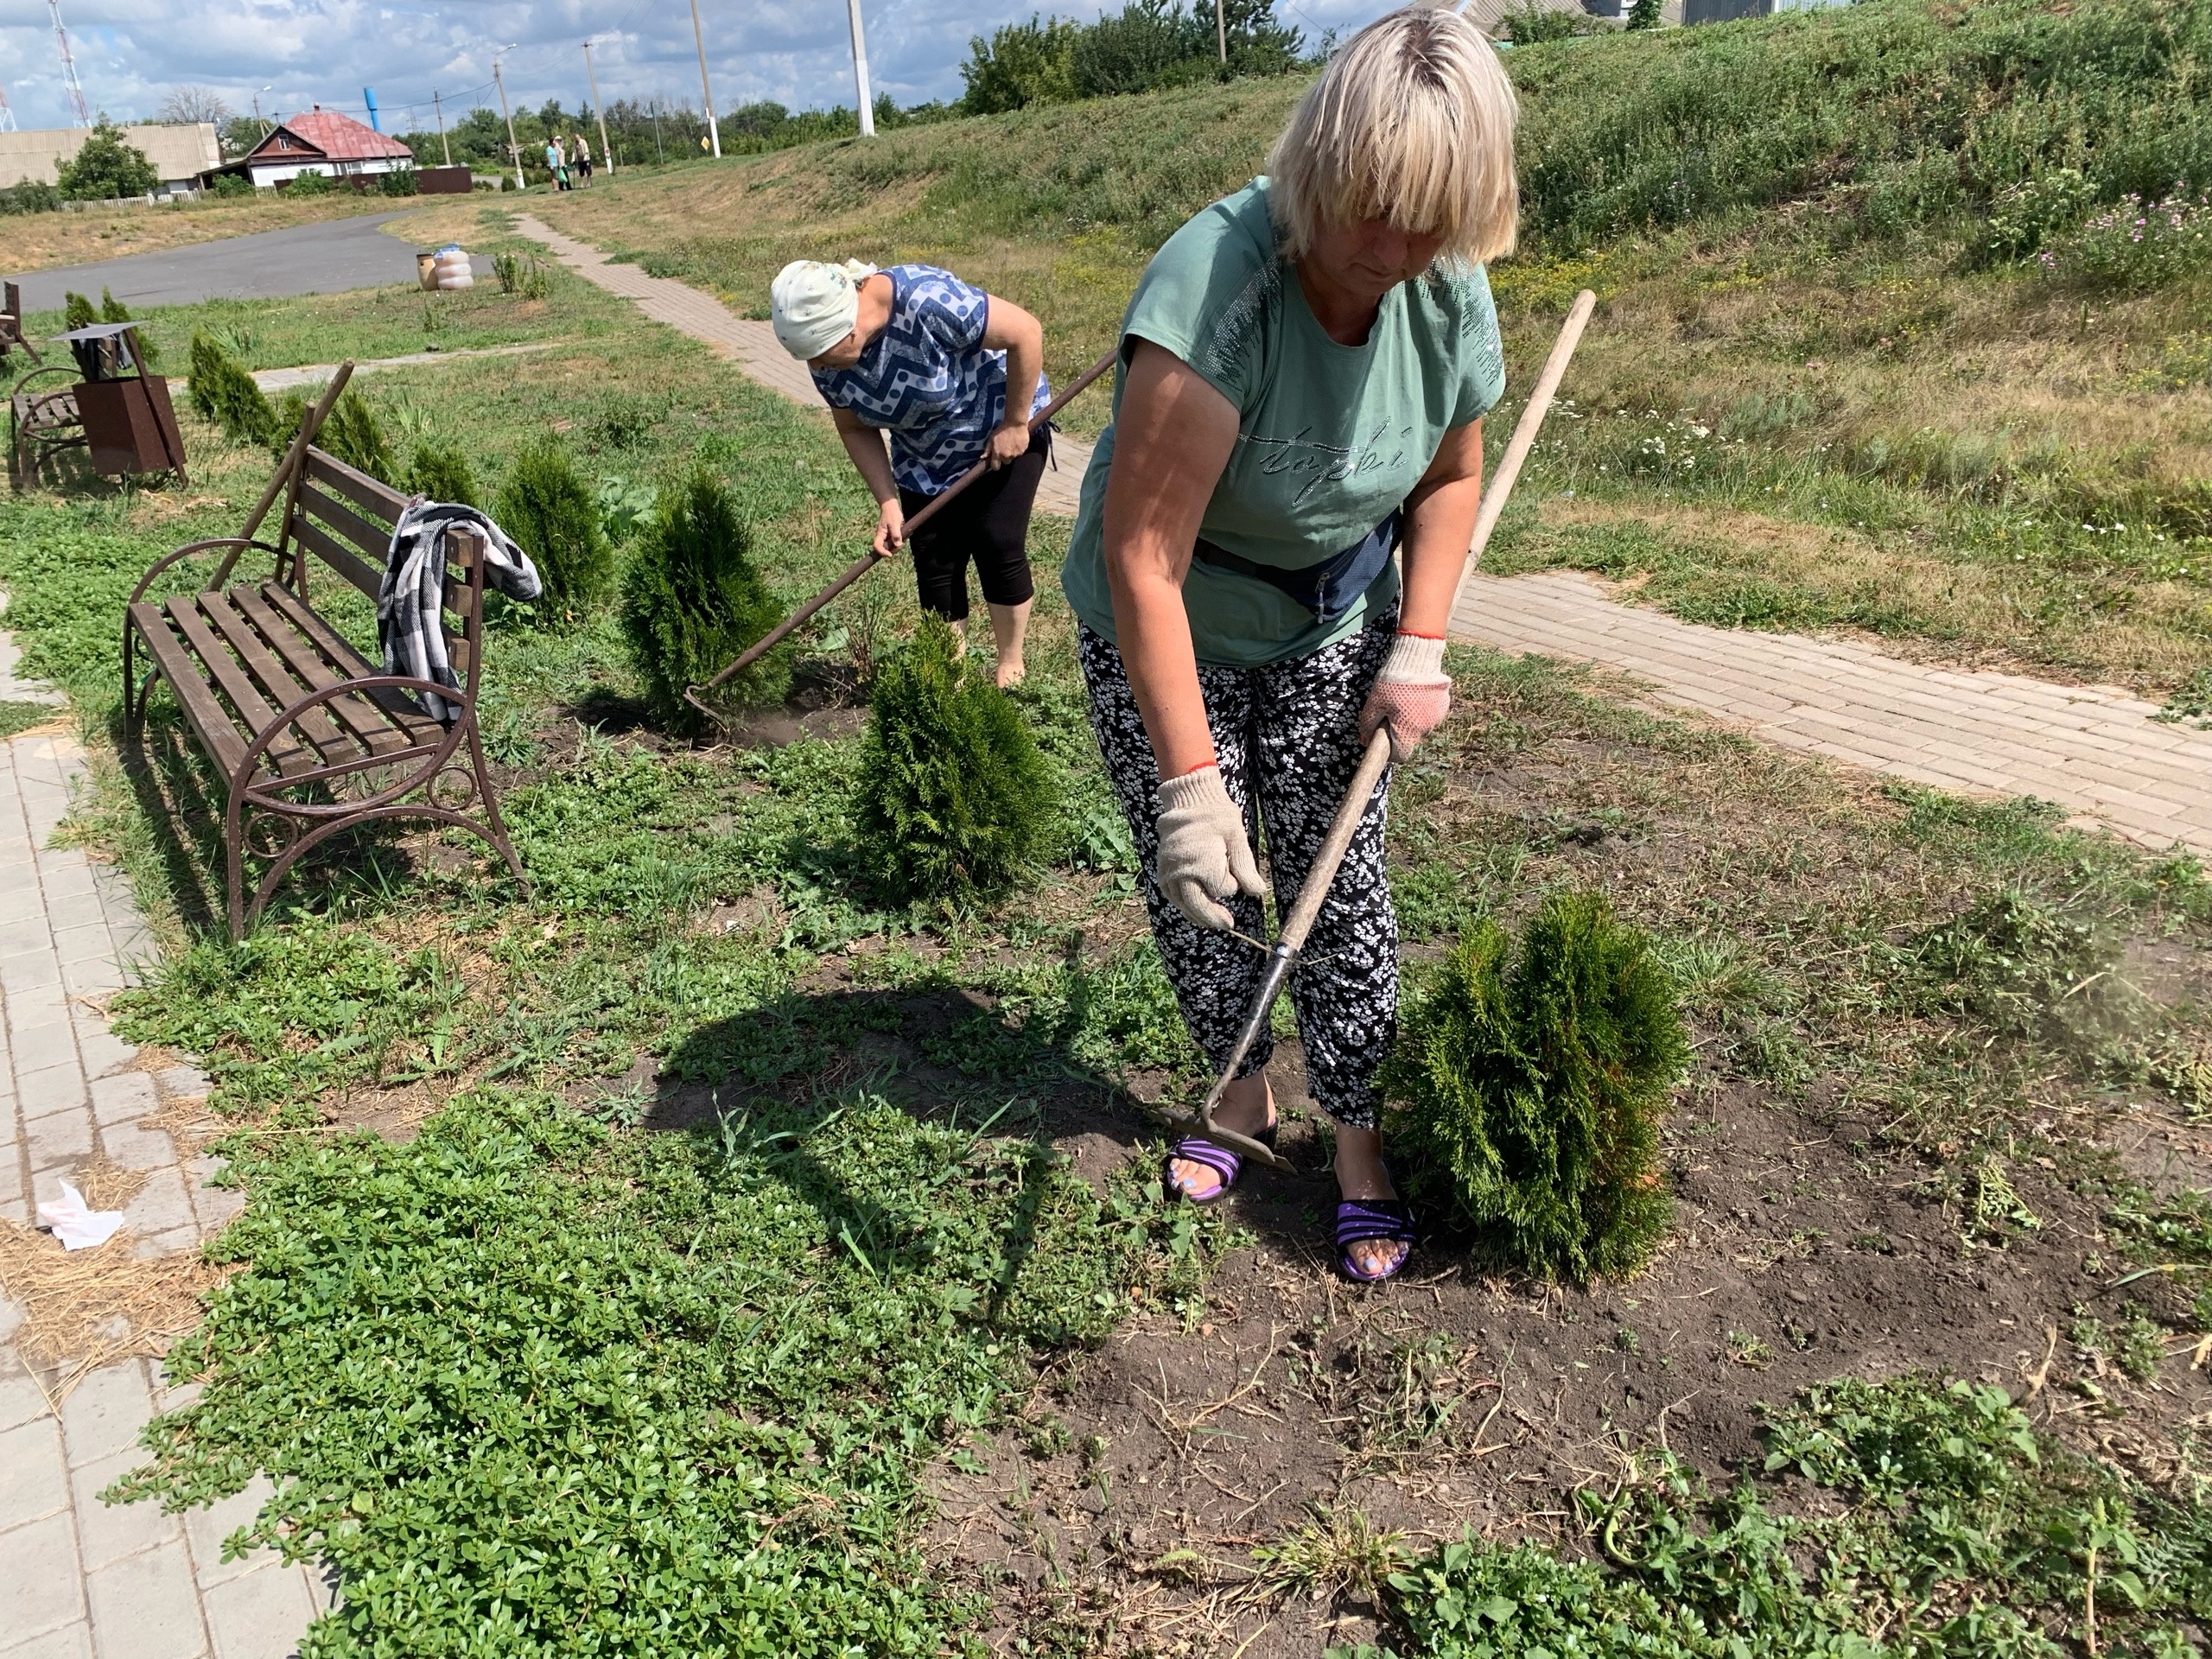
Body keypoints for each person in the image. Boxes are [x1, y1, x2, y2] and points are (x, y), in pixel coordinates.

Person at [1058, 5, 1516, 1281]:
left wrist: (1419, 640)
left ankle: (1357, 1138)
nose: (1396, 245)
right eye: (1375, 205)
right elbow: (1142, 558)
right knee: (1206, 877)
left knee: (1341, 871)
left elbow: (1448, 475)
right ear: (1322, 165)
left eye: (1434, 215)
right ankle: (1240, 1093)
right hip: (1175, 604)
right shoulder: (1218, 290)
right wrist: (1195, 785)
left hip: (1335, 610)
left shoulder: (1443, 286)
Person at [771, 259, 1051, 687]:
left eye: (824, 356)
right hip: (924, 455)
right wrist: (887, 501)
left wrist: (1014, 424)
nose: (821, 368)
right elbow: (853, 427)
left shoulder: (925, 301)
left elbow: (1026, 332)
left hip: (999, 428)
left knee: (997, 539)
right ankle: (949, 677)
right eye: (813, 360)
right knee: (935, 557)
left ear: (847, 328)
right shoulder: (825, 358)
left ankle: (1010, 664)